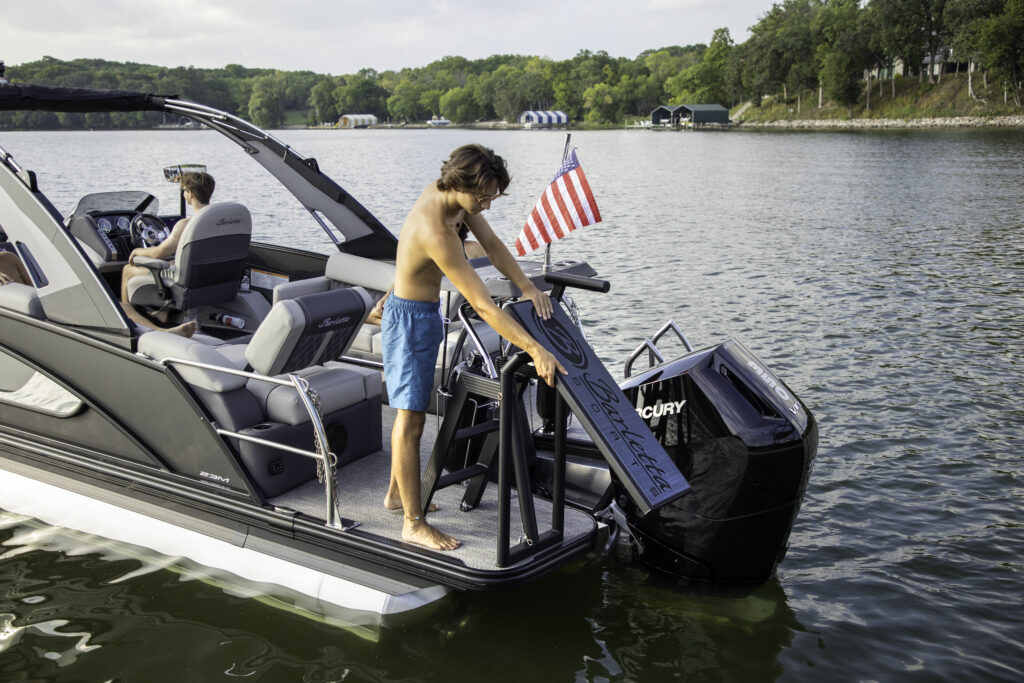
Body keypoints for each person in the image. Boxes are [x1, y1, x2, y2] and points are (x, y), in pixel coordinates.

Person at [382, 144, 566, 551]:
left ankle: (397, 497)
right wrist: (535, 349)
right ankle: (412, 523)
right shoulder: (438, 230)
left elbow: (495, 246)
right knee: (410, 421)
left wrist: (527, 286)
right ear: (460, 183)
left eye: (491, 196)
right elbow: (481, 304)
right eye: (481, 197)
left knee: (410, 414)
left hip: (423, 313)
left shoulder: (459, 200)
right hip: (410, 320)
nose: (485, 204)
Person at [2, 248, 196, 336]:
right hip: (30, 324)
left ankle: (159, 334)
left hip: (46, 310)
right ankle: (161, 333)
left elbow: (37, 287)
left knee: (122, 306)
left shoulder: (9, 258)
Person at [119, 171, 216, 338]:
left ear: (190, 194)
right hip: (206, 275)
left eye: (184, 191)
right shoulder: (217, 220)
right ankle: (162, 313)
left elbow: (159, 252)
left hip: (183, 278)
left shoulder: (185, 224)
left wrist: (136, 251)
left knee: (128, 269)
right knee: (170, 263)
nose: (184, 194)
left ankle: (132, 321)